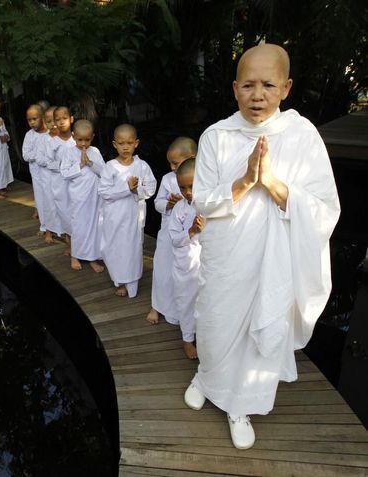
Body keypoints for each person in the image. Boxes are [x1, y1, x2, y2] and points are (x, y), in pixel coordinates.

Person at [183, 43, 341, 450]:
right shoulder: (217, 136)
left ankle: (241, 405)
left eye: (268, 85)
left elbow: (325, 209)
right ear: (235, 88)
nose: (258, 95)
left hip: (274, 262)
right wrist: (244, 181)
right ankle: (208, 376)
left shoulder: (303, 136)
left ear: (286, 87)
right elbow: (202, 199)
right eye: (248, 85)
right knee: (217, 322)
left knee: (260, 333)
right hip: (227, 257)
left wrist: (271, 182)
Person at [98, 124, 157, 298]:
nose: (125, 147)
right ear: (115, 144)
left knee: (131, 248)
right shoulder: (110, 167)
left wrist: (136, 191)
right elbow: (103, 192)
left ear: (136, 143)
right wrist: (126, 189)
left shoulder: (142, 166)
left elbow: (151, 188)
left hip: (133, 217)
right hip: (114, 216)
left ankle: (131, 283)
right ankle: (119, 280)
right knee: (113, 248)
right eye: (121, 143)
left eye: (129, 143)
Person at [146, 137, 197, 325]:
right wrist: (168, 204)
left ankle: (184, 312)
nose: (172, 168)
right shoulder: (168, 179)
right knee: (162, 268)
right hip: (168, 232)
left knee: (187, 273)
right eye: (170, 163)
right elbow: (156, 202)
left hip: (192, 237)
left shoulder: (203, 176)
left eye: (175, 163)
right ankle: (157, 305)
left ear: (192, 157)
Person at [167, 158, 203, 360]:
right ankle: (187, 339)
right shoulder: (180, 208)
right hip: (186, 264)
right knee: (187, 302)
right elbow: (174, 238)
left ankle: (206, 337)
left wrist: (204, 230)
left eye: (192, 186)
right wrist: (191, 230)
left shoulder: (209, 204)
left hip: (205, 264)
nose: (188, 192)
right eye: (183, 187)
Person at [60, 119, 106, 273]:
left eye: (87, 139)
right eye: (80, 140)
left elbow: (105, 172)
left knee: (93, 225)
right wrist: (80, 165)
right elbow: (65, 173)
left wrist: (91, 163)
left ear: (92, 137)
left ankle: (92, 257)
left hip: (94, 196)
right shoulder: (69, 152)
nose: (83, 144)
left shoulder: (96, 152)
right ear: (73, 136)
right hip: (78, 196)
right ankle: (75, 255)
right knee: (79, 225)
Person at [47, 106, 76, 252]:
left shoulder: (77, 139)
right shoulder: (53, 142)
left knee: (76, 211)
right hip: (60, 183)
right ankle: (70, 244)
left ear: (71, 119)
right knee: (64, 211)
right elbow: (48, 162)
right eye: (57, 119)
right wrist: (63, 165)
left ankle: (81, 244)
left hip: (76, 183)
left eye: (64, 118)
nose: (61, 122)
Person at [35, 106, 60, 242]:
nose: (53, 124)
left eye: (55, 120)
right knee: (49, 204)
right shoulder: (42, 139)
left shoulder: (67, 138)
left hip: (62, 178)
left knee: (62, 205)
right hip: (47, 177)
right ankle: (48, 231)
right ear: (45, 122)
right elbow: (39, 158)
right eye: (49, 121)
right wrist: (53, 163)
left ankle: (62, 230)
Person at [22, 104, 48, 227]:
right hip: (37, 173)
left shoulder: (50, 133)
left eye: (34, 119)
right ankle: (44, 226)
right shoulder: (29, 135)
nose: (32, 122)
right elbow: (26, 155)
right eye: (29, 120)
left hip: (50, 172)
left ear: (42, 117)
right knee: (40, 195)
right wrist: (39, 155)